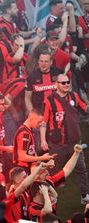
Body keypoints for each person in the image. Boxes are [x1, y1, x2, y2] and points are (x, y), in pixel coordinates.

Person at [40, 74, 89, 203]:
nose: (66, 84)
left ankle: (84, 195)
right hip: (58, 144)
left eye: (68, 82)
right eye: (63, 83)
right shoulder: (49, 101)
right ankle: (52, 196)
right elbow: (43, 122)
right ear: (56, 84)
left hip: (74, 143)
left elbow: (85, 108)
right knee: (54, 170)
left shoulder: (74, 96)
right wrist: (43, 140)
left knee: (81, 168)